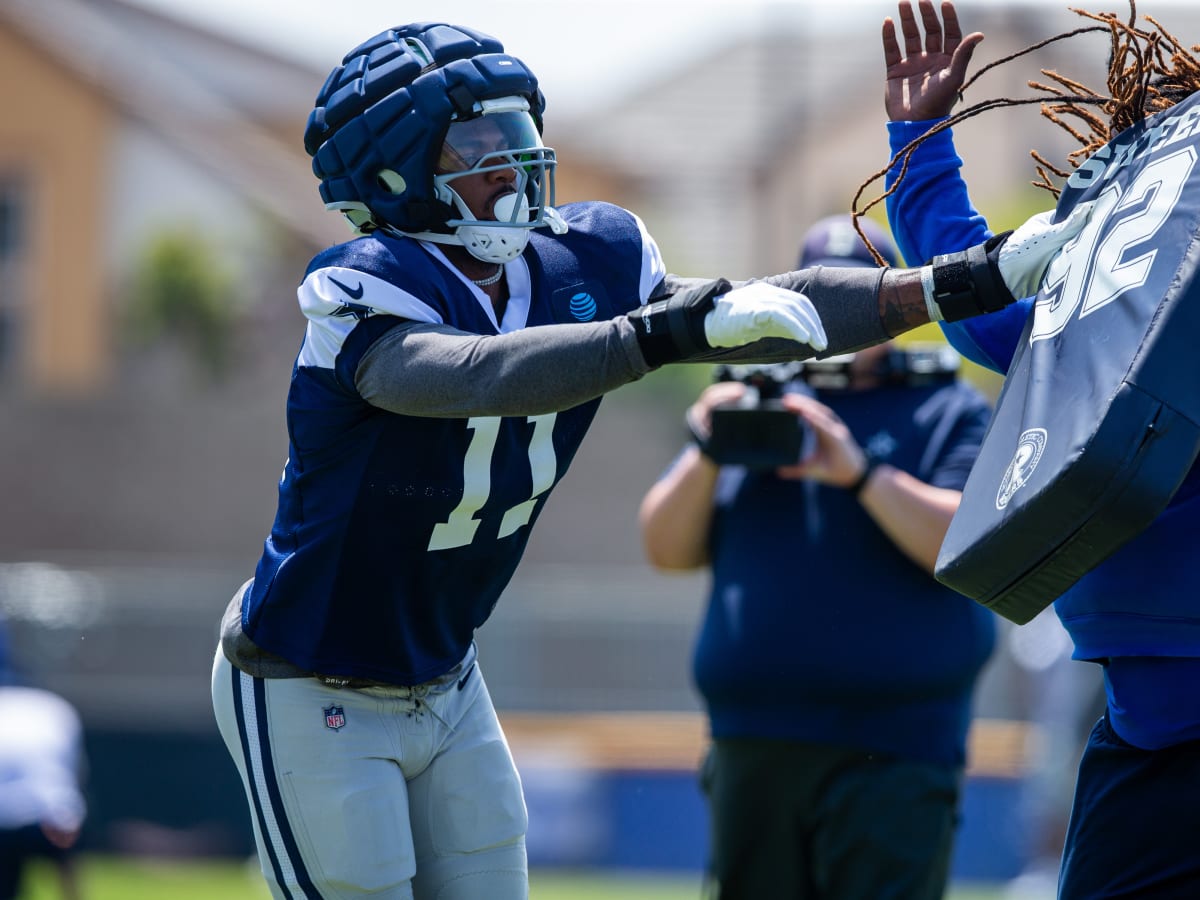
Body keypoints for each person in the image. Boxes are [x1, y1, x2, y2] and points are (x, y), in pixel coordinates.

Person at [208, 21, 1088, 899]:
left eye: (520, 134)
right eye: (478, 143)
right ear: (393, 171)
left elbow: (775, 307)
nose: (514, 163)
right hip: (308, 674)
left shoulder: (581, 257)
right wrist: (663, 331)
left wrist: (967, 278)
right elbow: (475, 375)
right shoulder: (364, 286)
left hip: (445, 677)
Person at [880, 2, 1200, 896]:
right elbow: (982, 304)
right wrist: (917, 136)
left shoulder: (1134, 282)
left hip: (1148, 711)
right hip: (1145, 725)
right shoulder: (1130, 286)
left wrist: (919, 139)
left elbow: (974, 302)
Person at [637, 214, 996, 900]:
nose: (841, 320)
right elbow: (665, 548)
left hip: (895, 747)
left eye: (858, 301)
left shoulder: (946, 408)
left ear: (890, 308)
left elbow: (965, 543)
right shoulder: (759, 396)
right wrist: (711, 447)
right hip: (754, 740)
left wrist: (859, 474)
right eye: (825, 301)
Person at [0, 674, 87, 900]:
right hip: (51, 820)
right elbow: (71, 771)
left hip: (5, 819)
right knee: (66, 866)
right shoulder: (55, 707)